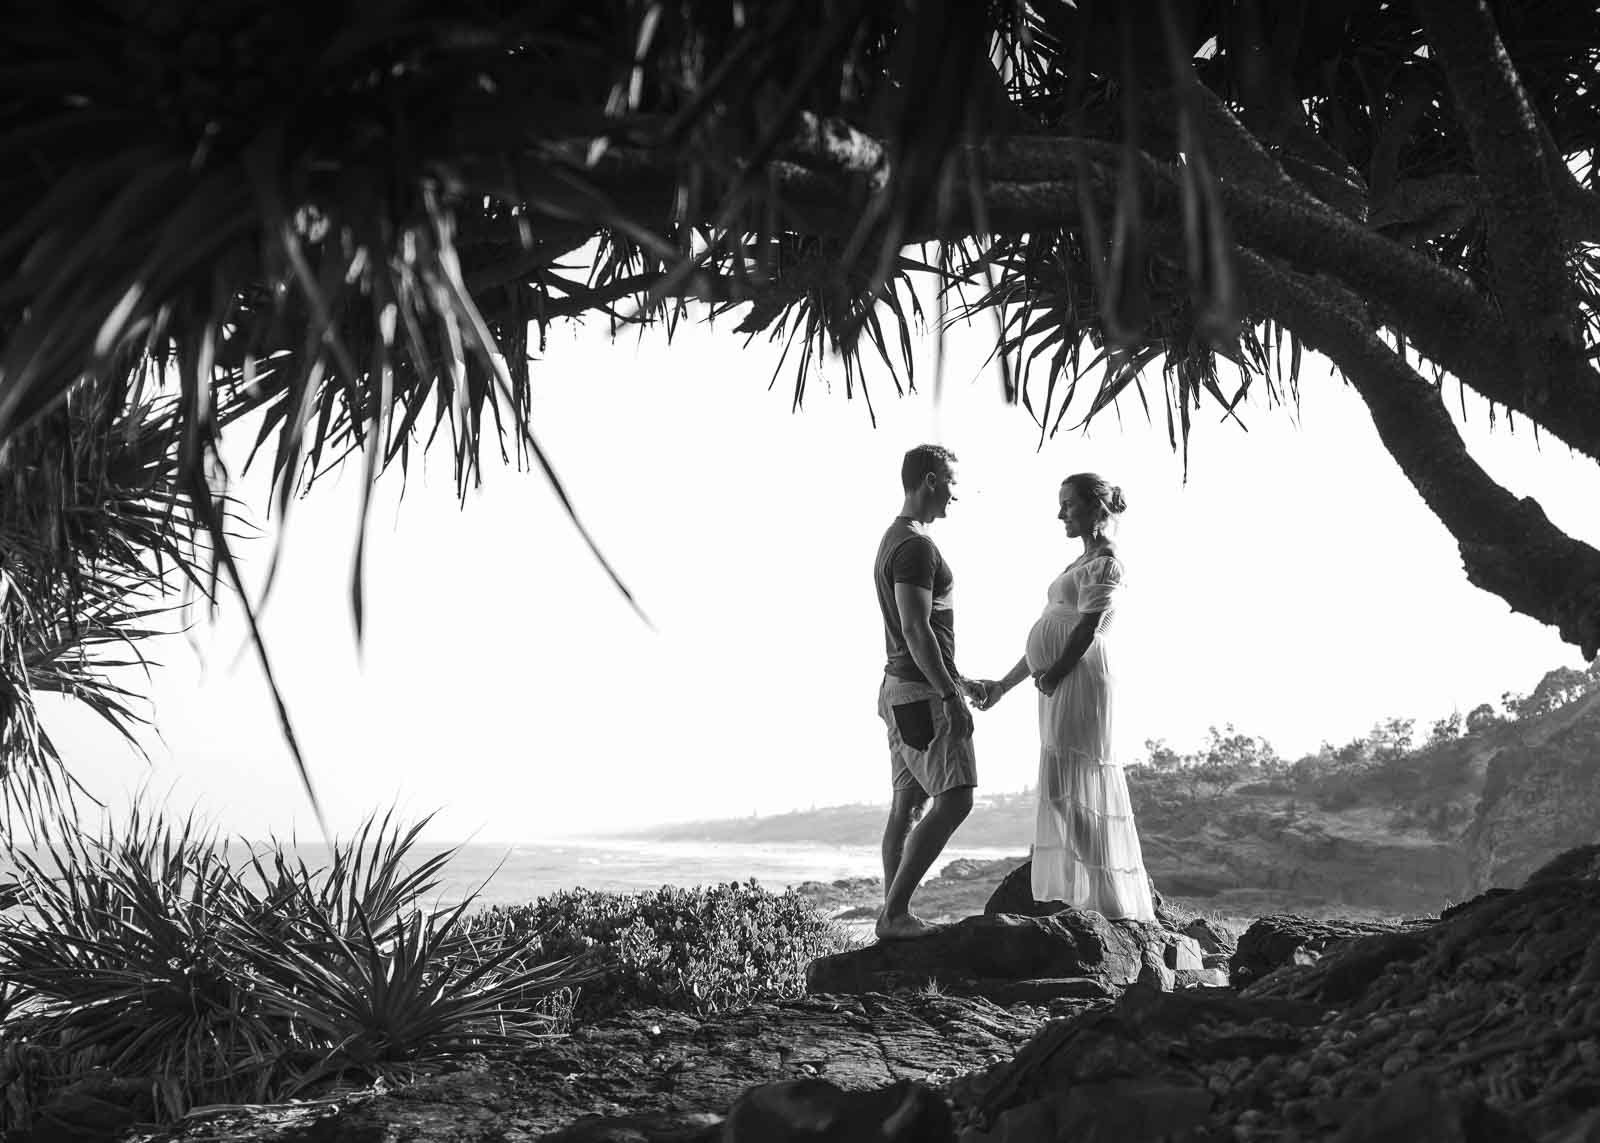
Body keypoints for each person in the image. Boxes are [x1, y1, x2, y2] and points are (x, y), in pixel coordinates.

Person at [974, 473, 1155, 922]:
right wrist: (1003, 686)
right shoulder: (1080, 562)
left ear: (1096, 506)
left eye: (1068, 504)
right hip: (1060, 681)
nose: (1060, 515)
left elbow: (1087, 628)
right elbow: (1051, 630)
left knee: (1074, 786)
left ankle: (1108, 895)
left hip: (1080, 679)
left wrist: (1055, 673)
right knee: (1063, 790)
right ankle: (1097, 890)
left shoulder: (1107, 561)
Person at [872, 444, 978, 940]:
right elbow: (916, 630)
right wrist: (950, 696)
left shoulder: (894, 539)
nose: (956, 494)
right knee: (955, 800)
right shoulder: (915, 546)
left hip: (900, 688)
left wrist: (958, 679)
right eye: (953, 482)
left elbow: (917, 631)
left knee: (907, 806)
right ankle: (894, 914)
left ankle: (892, 917)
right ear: (932, 480)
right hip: (919, 694)